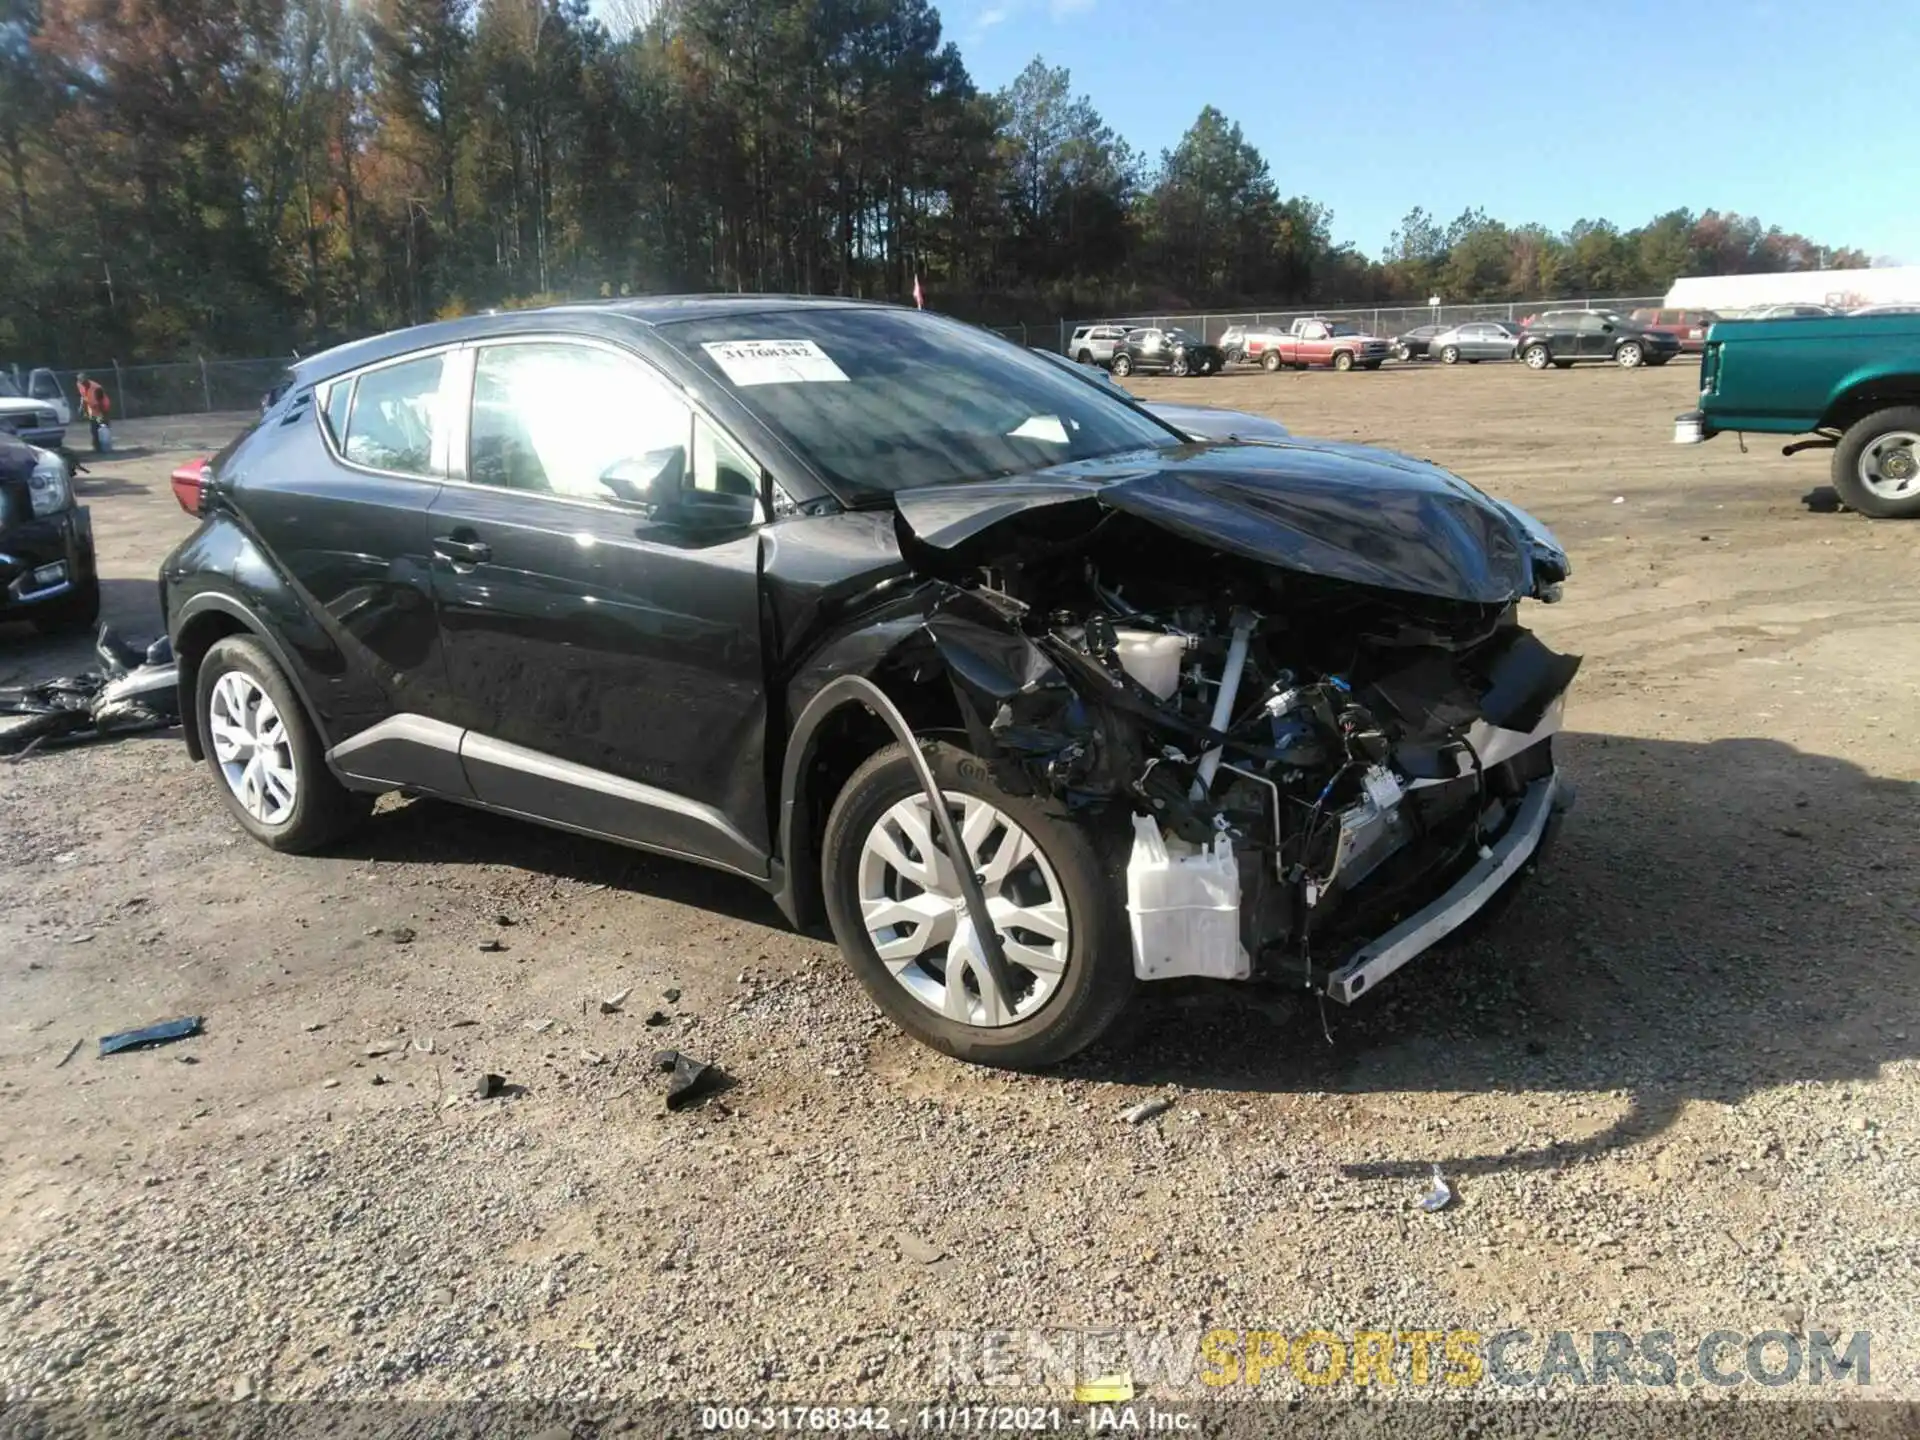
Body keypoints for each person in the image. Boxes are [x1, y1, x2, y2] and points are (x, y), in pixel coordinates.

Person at [77, 372, 111, 452]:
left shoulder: (96, 388)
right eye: (81, 382)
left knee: (102, 426)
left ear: (87, 380)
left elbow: (101, 401)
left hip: (102, 407)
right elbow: (83, 396)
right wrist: (82, 407)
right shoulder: (80, 385)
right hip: (93, 408)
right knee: (94, 428)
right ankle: (97, 446)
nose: (83, 384)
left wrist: (102, 415)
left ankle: (105, 446)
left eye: (84, 382)